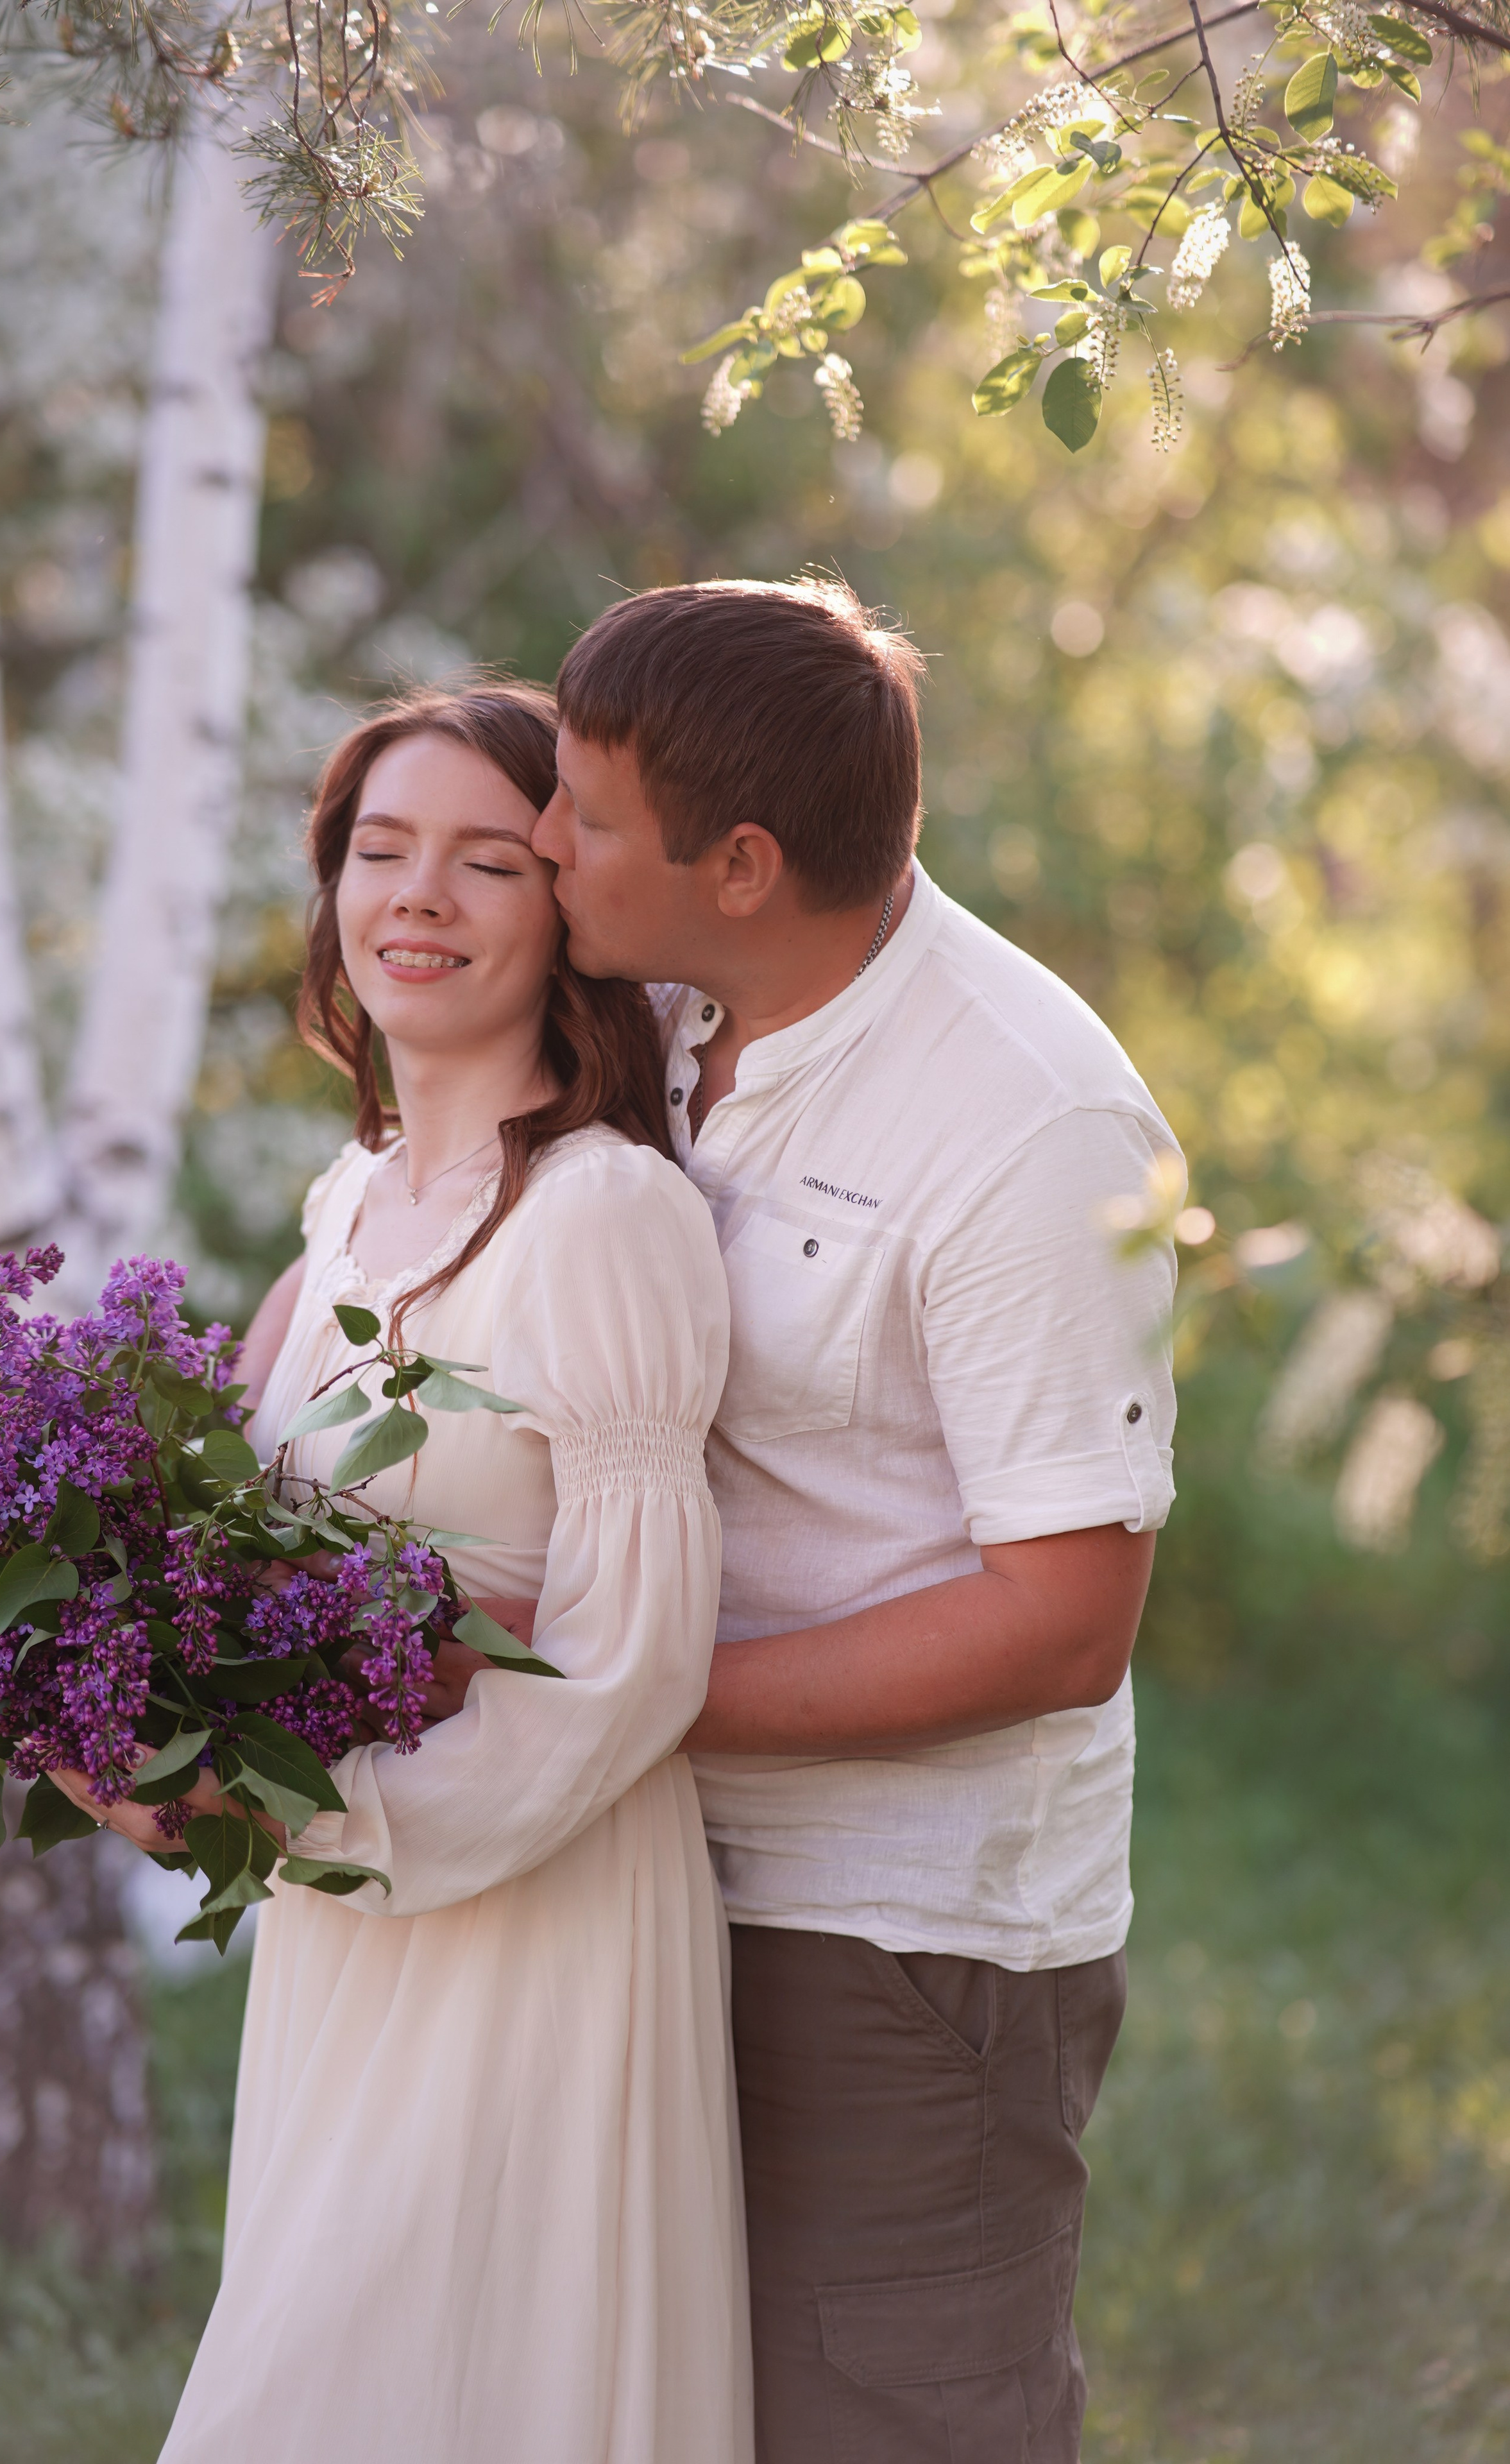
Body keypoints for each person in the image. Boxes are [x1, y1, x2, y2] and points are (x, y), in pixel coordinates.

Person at [528, 579, 1182, 2464]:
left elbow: (1061, 1620)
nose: (541, 838)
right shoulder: (659, 1000)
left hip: (900, 1941)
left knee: (868, 2429)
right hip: (636, 1874)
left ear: (739, 863)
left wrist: (621, 1701)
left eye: (581, 813)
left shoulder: (1026, 1122)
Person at [60, 684, 751, 2464]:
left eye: (486, 861)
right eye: (381, 853)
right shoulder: (344, 1202)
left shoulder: (606, 1217)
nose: (418, 900)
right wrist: (133, 1737)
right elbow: (216, 1564)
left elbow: (632, 1670)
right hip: (341, 1928)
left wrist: (327, 1821)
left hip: (529, 1917)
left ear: (567, 912)